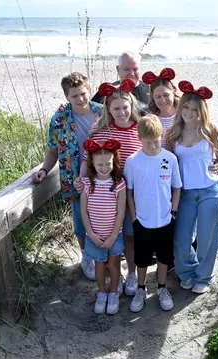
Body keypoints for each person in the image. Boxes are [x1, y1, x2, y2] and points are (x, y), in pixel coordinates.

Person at [165, 80, 218, 294]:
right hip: (185, 193)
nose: (189, 112)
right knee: (181, 239)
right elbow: (169, 165)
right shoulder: (173, 134)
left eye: (195, 109)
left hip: (209, 191)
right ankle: (187, 273)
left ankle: (204, 277)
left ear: (202, 111)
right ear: (180, 107)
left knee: (207, 238)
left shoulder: (211, 131)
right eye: (185, 107)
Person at [32, 71, 102, 281]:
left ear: (89, 90)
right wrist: (44, 170)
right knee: (80, 221)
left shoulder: (102, 113)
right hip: (74, 177)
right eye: (74, 96)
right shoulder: (59, 120)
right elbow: (53, 150)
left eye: (83, 94)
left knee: (104, 216)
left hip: (102, 174)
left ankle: (106, 257)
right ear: (66, 97)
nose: (80, 99)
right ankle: (86, 257)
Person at [77, 79, 142, 297]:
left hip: (134, 193)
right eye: (116, 108)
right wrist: (81, 179)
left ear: (131, 105)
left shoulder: (140, 128)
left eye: (125, 107)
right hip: (107, 192)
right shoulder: (101, 129)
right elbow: (88, 158)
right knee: (112, 232)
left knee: (131, 235)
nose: (122, 112)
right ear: (108, 109)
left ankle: (132, 272)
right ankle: (115, 274)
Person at [124, 116, 182, 312]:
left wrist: (173, 213)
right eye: (148, 142)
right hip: (142, 221)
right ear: (139, 138)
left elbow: (176, 188)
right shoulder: (133, 161)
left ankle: (162, 287)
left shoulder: (170, 158)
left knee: (164, 257)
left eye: (156, 141)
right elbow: (129, 193)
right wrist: (134, 219)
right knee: (141, 258)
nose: (152, 145)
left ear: (161, 136)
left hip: (165, 219)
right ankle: (141, 288)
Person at [80, 139, 127, 314]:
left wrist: (113, 236)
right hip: (95, 235)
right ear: (92, 162)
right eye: (100, 164)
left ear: (113, 161)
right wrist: (91, 234)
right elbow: (84, 212)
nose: (104, 167)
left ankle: (113, 292)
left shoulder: (119, 184)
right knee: (99, 265)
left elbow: (121, 213)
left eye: (108, 163)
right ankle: (101, 293)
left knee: (114, 264)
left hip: (114, 234)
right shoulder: (87, 184)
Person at [141, 67, 180, 147]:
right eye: (158, 97)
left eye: (166, 95)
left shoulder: (184, 113)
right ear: (152, 97)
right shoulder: (150, 119)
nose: (163, 100)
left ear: (173, 91)